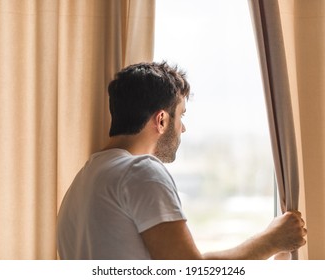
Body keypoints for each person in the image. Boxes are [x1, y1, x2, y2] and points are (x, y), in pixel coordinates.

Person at [56, 61, 307, 260]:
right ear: (162, 120)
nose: (183, 128)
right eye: (181, 116)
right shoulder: (139, 171)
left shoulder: (82, 181)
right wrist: (272, 241)